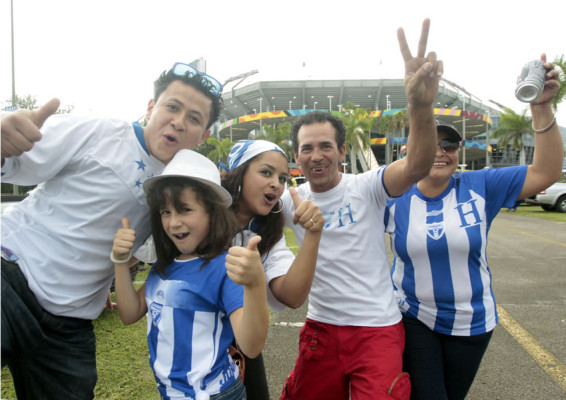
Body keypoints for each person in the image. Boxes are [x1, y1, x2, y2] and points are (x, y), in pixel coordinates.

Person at [1, 62, 224, 399]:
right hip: (10, 275)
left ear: (204, 135)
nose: (179, 122)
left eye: (194, 118)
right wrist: (5, 137)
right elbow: (14, 161)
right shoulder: (100, 133)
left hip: (69, 321)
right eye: (172, 107)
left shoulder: (186, 188)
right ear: (151, 107)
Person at [279, 18, 443, 400]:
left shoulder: (366, 187)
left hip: (377, 329)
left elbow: (417, 164)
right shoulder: (291, 200)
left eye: (325, 146)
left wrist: (420, 104)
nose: (316, 155)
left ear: (340, 152)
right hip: (321, 327)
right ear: (297, 157)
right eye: (307, 148)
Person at [384, 55, 563, 400]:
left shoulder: (481, 185)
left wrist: (541, 106)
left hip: (473, 322)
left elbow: (546, 172)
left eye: (449, 144)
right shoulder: (392, 194)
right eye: (431, 143)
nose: (441, 151)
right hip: (413, 315)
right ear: (410, 150)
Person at [111, 149, 269, 400]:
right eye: (166, 212)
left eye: (184, 209)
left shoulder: (222, 268)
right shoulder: (163, 267)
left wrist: (255, 284)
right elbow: (130, 314)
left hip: (216, 394)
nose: (173, 222)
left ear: (212, 213)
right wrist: (120, 262)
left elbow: (251, 345)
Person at [220, 140, 324, 399]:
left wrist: (312, 236)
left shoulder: (266, 235)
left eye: (282, 177)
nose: (276, 183)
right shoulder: (202, 216)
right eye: (266, 172)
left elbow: (292, 296)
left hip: (243, 343)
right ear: (238, 172)